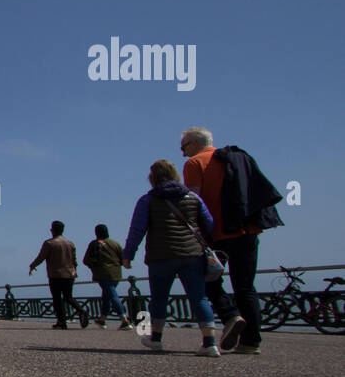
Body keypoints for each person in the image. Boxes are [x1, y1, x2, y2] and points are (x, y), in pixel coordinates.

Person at [181, 127, 283, 355]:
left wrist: (191, 232)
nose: (183, 153)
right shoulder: (236, 158)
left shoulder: (195, 163)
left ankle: (230, 316)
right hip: (247, 230)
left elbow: (193, 201)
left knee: (208, 281)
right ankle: (250, 342)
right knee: (246, 286)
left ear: (194, 143)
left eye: (184, 147)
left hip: (217, 233)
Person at [121, 159, 220, 355]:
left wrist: (128, 255)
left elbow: (137, 230)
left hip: (161, 255)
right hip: (193, 254)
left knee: (159, 298)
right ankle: (209, 343)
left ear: (152, 178)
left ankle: (156, 339)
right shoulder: (193, 197)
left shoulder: (147, 200)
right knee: (199, 298)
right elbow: (209, 223)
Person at [29, 221, 87, 329]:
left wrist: (32, 265)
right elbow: (75, 261)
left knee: (57, 298)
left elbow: (41, 257)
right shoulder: (70, 243)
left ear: (52, 230)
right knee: (68, 297)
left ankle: (61, 321)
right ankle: (81, 310)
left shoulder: (49, 243)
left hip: (55, 274)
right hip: (70, 274)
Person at [82, 224, 131, 329]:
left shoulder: (94, 244)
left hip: (103, 273)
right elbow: (123, 258)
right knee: (106, 297)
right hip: (116, 273)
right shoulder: (115, 244)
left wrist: (94, 265)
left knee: (112, 296)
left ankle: (124, 320)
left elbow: (86, 260)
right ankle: (102, 319)